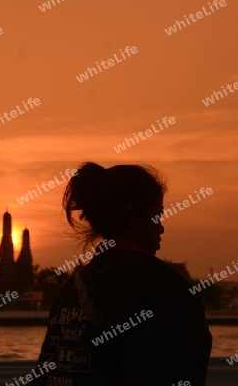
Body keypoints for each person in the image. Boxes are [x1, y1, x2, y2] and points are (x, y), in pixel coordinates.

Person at [29, 162, 212, 385]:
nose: (161, 227)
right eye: (157, 215)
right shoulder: (162, 288)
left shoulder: (69, 294)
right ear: (132, 216)